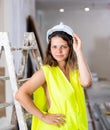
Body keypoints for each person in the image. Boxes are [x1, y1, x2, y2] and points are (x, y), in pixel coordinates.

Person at [15, 23, 92, 130]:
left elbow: (87, 82)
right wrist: (43, 116)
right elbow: (20, 95)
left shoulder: (74, 72)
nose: (58, 51)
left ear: (71, 47)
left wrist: (78, 51)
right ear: (50, 49)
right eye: (54, 46)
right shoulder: (46, 72)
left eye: (63, 46)